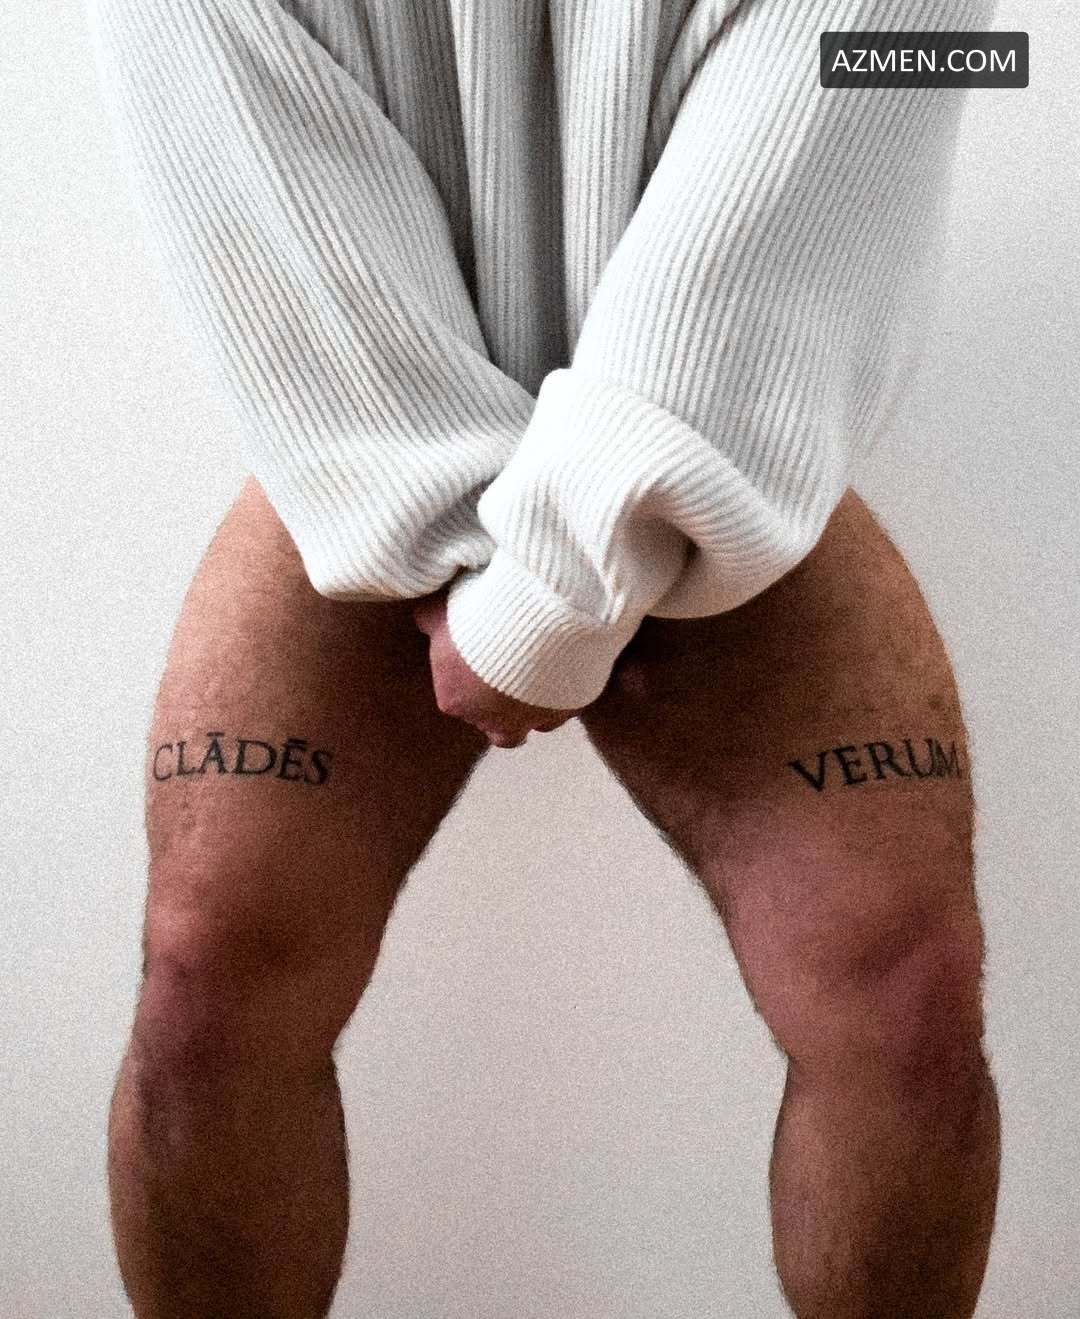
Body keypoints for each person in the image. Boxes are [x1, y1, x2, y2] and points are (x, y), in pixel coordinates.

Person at [87, 0, 1001, 1314]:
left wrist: (550, 591)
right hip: (373, 430)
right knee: (206, 980)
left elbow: (887, 70)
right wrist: (503, 556)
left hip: (710, 430)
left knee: (906, 990)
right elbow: (232, 142)